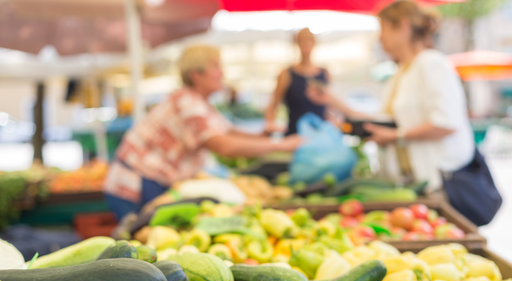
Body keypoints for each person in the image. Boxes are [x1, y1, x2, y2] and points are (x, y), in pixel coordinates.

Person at [103, 45, 302, 220]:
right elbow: (224, 145)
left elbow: (228, 131)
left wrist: (263, 134)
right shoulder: (187, 102)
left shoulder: (200, 103)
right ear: (195, 74)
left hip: (153, 181)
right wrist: (281, 145)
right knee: (140, 245)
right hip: (134, 184)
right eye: (215, 67)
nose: (221, 73)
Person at [311, 1, 475, 194]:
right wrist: (333, 101)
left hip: (441, 185)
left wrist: (396, 136)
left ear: (403, 26)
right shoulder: (400, 74)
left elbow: (445, 123)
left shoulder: (431, 63)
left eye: (384, 28)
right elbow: (385, 121)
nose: (380, 37)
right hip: (412, 186)